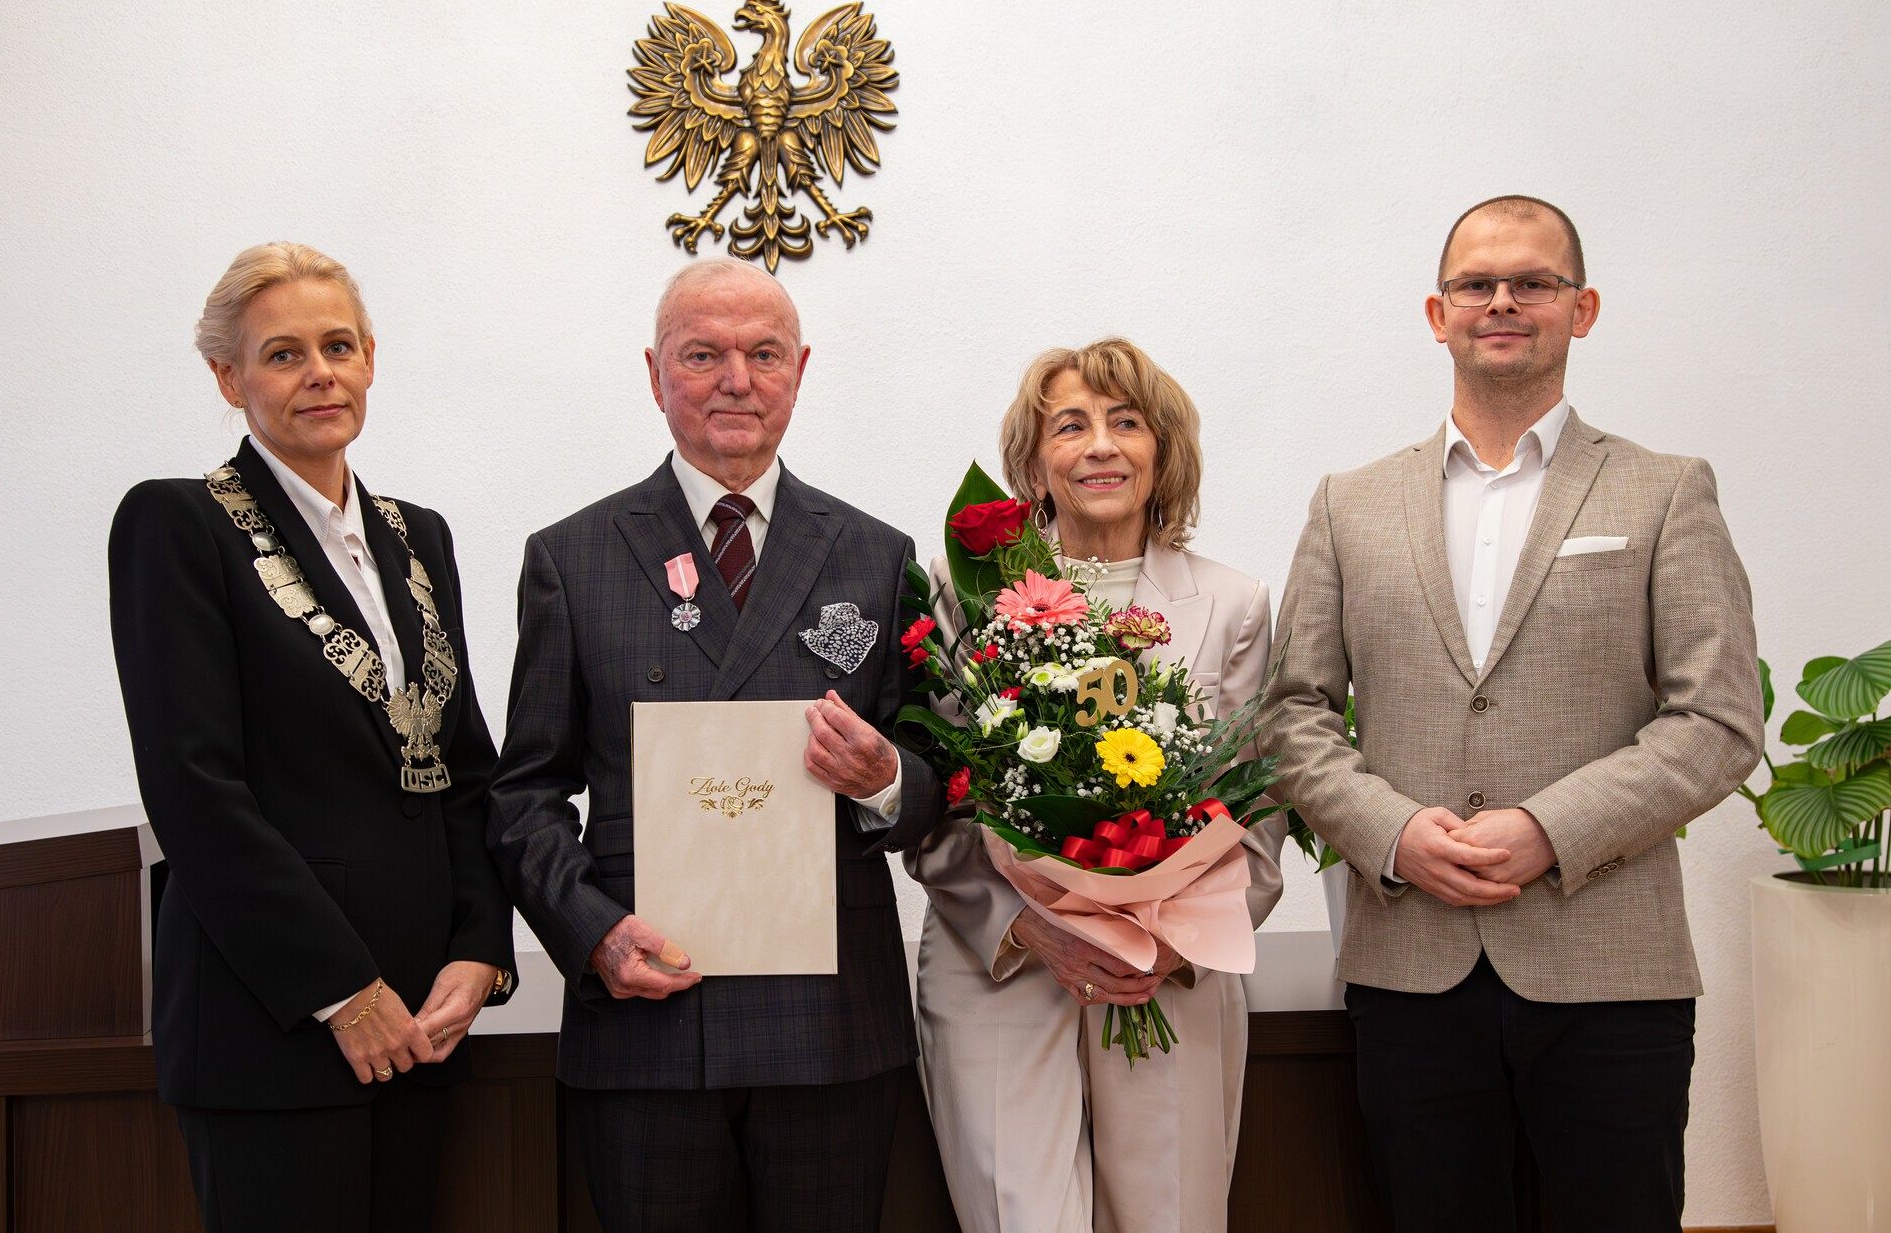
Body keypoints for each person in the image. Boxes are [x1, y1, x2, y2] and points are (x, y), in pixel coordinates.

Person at [1263, 196, 1764, 1233]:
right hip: (1409, 964)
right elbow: (1293, 714)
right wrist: (1390, 830)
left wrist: (1549, 829)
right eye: (1476, 283)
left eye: (1531, 282)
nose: (1502, 300)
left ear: (1581, 309)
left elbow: (1717, 719)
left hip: (1612, 970)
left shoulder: (1667, 492)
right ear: (1435, 313)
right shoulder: (1347, 503)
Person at [486, 258, 943, 1233]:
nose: (736, 377)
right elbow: (523, 793)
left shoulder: (879, 554)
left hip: (831, 1032)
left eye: (763, 352)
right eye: (704, 353)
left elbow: (940, 774)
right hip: (646, 1019)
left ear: (800, 370)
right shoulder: (574, 557)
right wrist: (592, 932)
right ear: (655, 373)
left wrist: (888, 776)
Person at [108, 242, 517, 1233]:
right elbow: (196, 790)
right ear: (229, 376)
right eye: (282, 353)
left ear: (371, 355)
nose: (319, 372)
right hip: (276, 1026)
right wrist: (342, 989)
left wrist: (479, 947)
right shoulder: (177, 524)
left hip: (423, 1019)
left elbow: (461, 765)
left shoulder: (419, 535)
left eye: (338, 344)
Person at [906, 338, 1286, 1233]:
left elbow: (1254, 804)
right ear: (1033, 462)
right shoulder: (967, 595)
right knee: (1019, 1217)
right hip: (1000, 963)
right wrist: (1036, 925)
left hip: (1168, 976)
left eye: (1126, 423)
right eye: (1070, 426)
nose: (1101, 445)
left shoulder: (1234, 604)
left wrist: (1171, 943)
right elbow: (937, 797)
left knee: (1170, 1217)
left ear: (1165, 452)